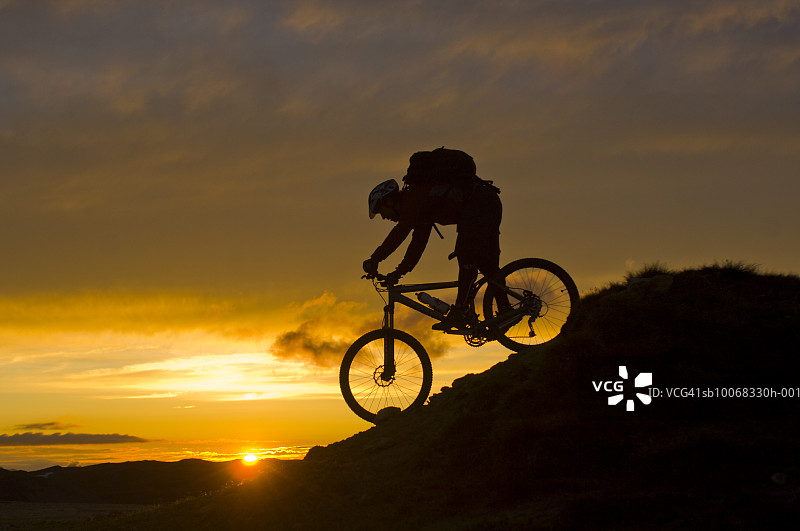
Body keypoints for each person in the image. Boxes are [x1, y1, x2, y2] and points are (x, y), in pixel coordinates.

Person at [362, 150, 512, 330]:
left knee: (467, 253)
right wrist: (399, 272)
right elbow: (417, 244)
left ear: (388, 202)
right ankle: (506, 312)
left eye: (381, 212)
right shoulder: (420, 209)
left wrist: (375, 258)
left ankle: (462, 310)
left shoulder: (414, 199)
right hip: (485, 204)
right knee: (486, 264)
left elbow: (400, 232)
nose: (384, 218)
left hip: (480, 204)